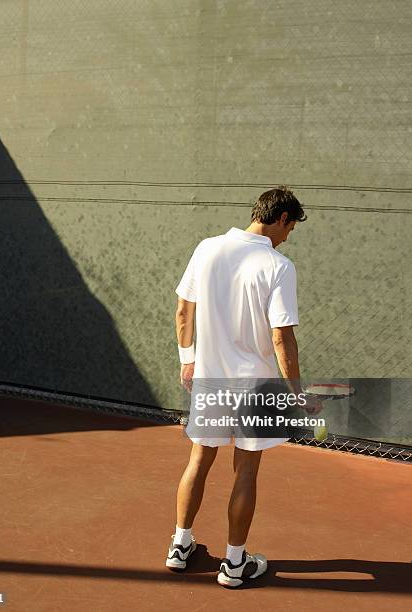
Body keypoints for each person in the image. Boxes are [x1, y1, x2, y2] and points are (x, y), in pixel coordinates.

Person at [165, 186, 323, 588]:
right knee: (247, 470)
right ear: (282, 218)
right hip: (256, 385)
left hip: (210, 378)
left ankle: (180, 546)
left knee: (198, 459)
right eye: (291, 228)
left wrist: (188, 362)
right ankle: (235, 564)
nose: (289, 237)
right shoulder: (279, 266)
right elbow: (281, 338)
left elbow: (183, 309)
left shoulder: (207, 248)